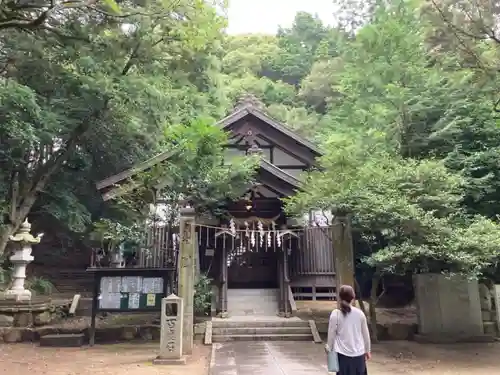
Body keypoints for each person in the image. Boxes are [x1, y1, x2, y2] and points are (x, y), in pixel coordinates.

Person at [326, 285, 371, 375]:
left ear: (339, 297)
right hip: (359, 356)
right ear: (353, 298)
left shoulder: (335, 314)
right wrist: (367, 350)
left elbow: (331, 336)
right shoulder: (360, 314)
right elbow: (366, 335)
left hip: (343, 357)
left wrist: (329, 349)